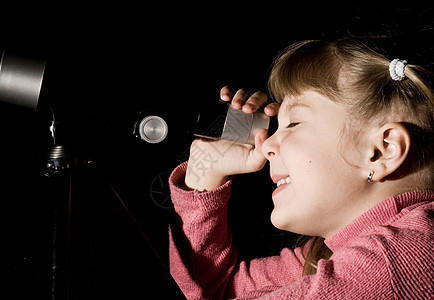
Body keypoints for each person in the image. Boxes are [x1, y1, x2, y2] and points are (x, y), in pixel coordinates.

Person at [167, 37, 434, 299]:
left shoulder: (396, 261)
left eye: (293, 123)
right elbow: (215, 291)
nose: (266, 144)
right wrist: (206, 172)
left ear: (382, 150)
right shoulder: (328, 254)